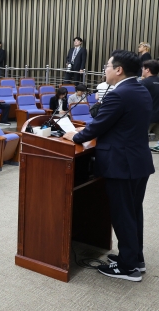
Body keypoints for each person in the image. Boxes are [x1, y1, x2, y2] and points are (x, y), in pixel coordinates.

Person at [63, 50, 154, 282]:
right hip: (138, 161)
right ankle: (135, 258)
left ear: (119, 70)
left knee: (123, 214)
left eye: (107, 66)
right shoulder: (140, 89)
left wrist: (74, 136)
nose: (105, 69)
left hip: (121, 164)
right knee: (133, 212)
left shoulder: (119, 94)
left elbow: (98, 126)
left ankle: (128, 267)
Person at [141, 60, 159, 152]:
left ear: (147, 70)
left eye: (143, 68)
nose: (142, 70)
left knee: (141, 140)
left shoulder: (144, 83)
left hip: (148, 116)